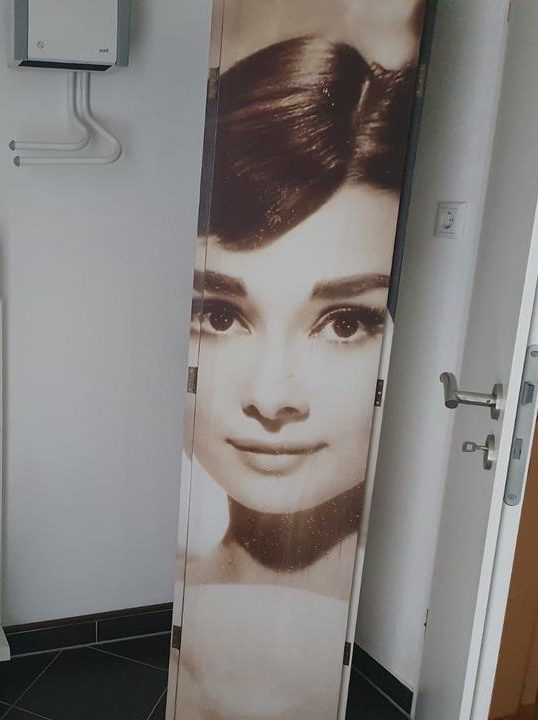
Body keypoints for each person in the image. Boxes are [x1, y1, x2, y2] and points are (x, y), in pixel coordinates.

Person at [176, 35, 419, 720]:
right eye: (219, 316)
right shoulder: (177, 596)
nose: (271, 396)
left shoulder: (396, 620)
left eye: (345, 323)